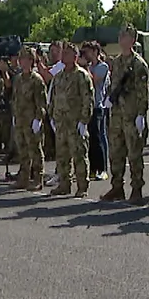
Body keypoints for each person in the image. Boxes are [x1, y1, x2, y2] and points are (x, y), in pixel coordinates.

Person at [101, 27, 149, 204]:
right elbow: (113, 84)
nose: (122, 39)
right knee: (116, 152)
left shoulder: (139, 64)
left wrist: (141, 114)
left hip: (131, 115)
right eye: (120, 36)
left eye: (126, 36)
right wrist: (108, 99)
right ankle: (117, 187)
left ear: (133, 40)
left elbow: (143, 92)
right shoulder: (116, 62)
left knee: (134, 153)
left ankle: (136, 189)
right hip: (116, 115)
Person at [49, 42, 95, 197]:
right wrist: (52, 117)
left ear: (75, 56)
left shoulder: (81, 75)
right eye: (63, 53)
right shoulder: (59, 76)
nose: (63, 56)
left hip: (75, 123)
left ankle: (82, 186)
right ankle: (64, 184)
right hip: (61, 123)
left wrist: (84, 121)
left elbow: (87, 99)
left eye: (67, 53)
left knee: (79, 156)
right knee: (62, 156)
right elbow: (53, 98)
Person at [11, 47, 48, 191]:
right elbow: (15, 99)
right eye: (20, 59)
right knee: (22, 150)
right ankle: (24, 177)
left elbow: (41, 102)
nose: (21, 62)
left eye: (24, 59)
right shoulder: (19, 79)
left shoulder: (36, 80)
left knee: (35, 150)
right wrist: (15, 116)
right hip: (20, 120)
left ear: (31, 61)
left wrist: (38, 119)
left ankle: (38, 178)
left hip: (32, 120)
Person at [83, 42, 111, 181]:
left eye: (88, 52)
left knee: (98, 137)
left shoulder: (102, 66)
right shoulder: (90, 67)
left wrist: (85, 67)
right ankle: (93, 169)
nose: (86, 55)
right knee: (90, 139)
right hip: (86, 106)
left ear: (95, 52)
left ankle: (102, 168)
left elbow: (93, 81)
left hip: (97, 106)